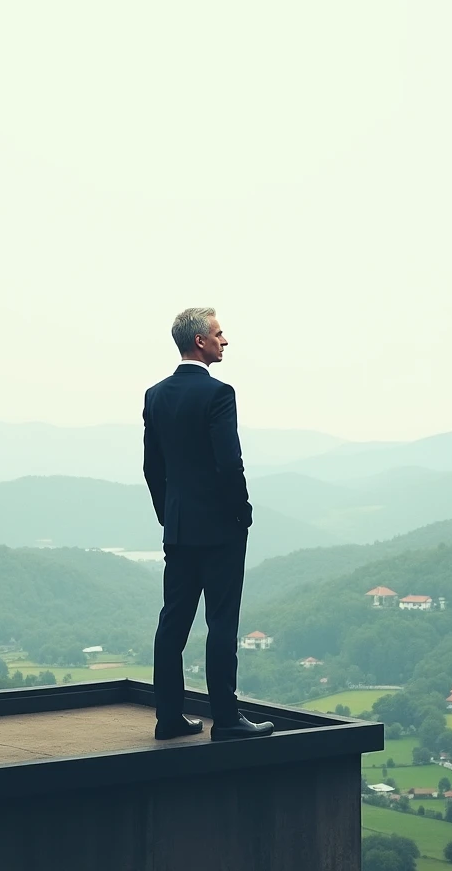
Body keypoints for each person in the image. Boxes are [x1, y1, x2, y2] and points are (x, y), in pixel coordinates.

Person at [143, 307, 274, 742]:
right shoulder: (220, 394)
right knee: (221, 624)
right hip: (220, 529)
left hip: (179, 530)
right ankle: (228, 720)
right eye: (219, 334)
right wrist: (243, 512)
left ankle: (168, 719)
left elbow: (151, 467)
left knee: (172, 624)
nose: (225, 340)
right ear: (200, 341)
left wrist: (169, 515)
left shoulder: (155, 395)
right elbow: (228, 463)